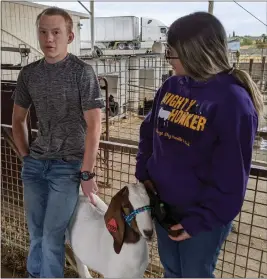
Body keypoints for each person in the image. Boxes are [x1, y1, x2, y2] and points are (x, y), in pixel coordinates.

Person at [135, 12, 263, 278]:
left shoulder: (232, 102)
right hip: (163, 203)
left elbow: (231, 176)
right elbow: (148, 132)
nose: (169, 58)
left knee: (195, 273)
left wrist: (199, 222)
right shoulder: (171, 86)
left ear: (196, 52)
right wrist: (144, 175)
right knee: (171, 270)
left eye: (173, 52)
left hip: (201, 215)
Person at [11, 7, 104, 278]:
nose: (49, 39)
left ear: (70, 36)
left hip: (67, 166)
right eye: (43, 32)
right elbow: (18, 120)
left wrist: (86, 173)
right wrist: (26, 156)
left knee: (52, 236)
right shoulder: (29, 74)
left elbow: (94, 124)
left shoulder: (82, 73)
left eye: (56, 32)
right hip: (35, 164)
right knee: (36, 233)